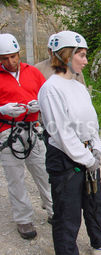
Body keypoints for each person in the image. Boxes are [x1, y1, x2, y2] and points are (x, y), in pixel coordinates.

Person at [38, 30, 101, 255]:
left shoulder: (79, 87)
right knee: (68, 213)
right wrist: (87, 158)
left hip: (86, 154)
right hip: (65, 158)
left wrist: (96, 148)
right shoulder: (51, 89)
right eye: (82, 55)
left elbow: (91, 123)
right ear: (66, 55)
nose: (86, 61)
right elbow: (62, 134)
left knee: (95, 203)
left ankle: (99, 242)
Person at [0, 33, 53, 239]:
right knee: (15, 179)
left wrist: (40, 105)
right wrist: (2, 109)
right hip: (7, 132)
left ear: (18, 53)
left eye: (13, 56)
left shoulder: (32, 72)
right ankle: (24, 219)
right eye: (4, 58)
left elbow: (46, 94)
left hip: (33, 128)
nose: (10, 62)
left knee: (44, 172)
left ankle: (53, 209)